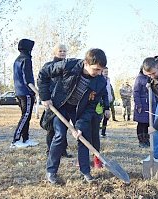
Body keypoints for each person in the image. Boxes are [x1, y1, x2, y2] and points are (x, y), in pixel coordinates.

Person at [37, 48, 110, 184]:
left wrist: (81, 126)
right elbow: (43, 73)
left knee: (83, 137)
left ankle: (86, 172)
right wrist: (45, 96)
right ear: (86, 63)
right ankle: (51, 172)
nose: (99, 73)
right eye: (96, 69)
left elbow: (90, 107)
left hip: (80, 110)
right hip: (61, 104)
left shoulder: (100, 82)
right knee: (59, 135)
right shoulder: (68, 65)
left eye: (101, 70)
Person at [41, 44, 72, 157]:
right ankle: (50, 150)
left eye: (64, 51)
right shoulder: (49, 66)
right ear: (55, 52)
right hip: (52, 101)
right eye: (60, 51)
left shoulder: (68, 67)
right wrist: (45, 98)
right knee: (52, 127)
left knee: (63, 127)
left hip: (65, 102)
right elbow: (42, 83)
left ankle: (62, 150)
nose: (63, 53)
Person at [11, 38, 39, 148]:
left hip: (19, 92)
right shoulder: (26, 59)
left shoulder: (17, 59)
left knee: (26, 116)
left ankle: (25, 139)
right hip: (25, 92)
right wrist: (37, 92)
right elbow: (28, 80)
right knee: (25, 116)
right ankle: (15, 140)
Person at [133, 66, 157, 148]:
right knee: (141, 124)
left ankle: (147, 140)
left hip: (151, 105)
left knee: (148, 123)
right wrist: (138, 104)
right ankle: (141, 141)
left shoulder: (152, 78)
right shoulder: (139, 79)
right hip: (142, 105)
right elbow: (136, 92)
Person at [101, 67, 114, 137]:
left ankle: (103, 131)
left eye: (107, 72)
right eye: (105, 72)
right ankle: (97, 131)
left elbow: (109, 91)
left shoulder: (108, 80)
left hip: (108, 101)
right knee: (99, 118)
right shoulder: (100, 80)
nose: (106, 73)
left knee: (106, 118)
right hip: (101, 102)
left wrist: (111, 98)